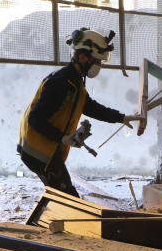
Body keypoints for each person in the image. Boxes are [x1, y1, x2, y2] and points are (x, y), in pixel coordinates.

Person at [17, 27, 144, 197]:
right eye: (97, 61)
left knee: (60, 197)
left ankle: (52, 221)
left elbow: (90, 107)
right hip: (38, 152)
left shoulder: (74, 82)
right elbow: (35, 119)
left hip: (43, 151)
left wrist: (121, 118)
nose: (99, 66)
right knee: (69, 200)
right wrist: (63, 137)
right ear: (83, 57)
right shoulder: (60, 83)